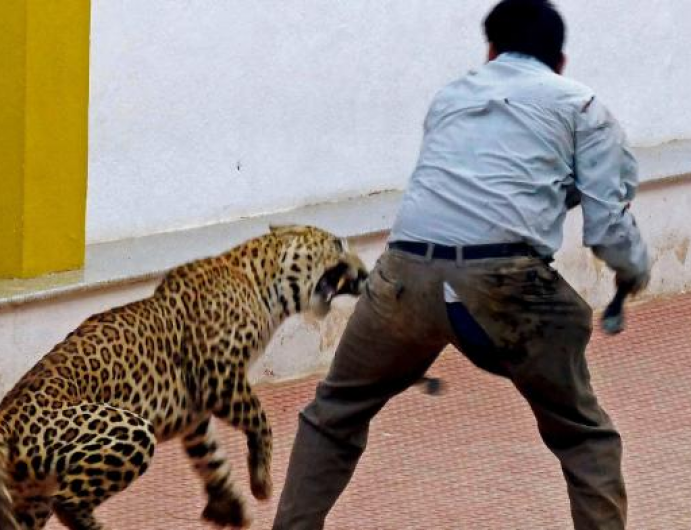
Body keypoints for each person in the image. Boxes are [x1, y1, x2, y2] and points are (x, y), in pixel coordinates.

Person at [272, 0, 651, 528]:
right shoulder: (582, 107)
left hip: (402, 276)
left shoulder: (450, 98)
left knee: (332, 416)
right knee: (585, 437)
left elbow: (472, 187)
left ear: (490, 50)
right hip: (506, 287)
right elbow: (609, 226)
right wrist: (633, 272)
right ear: (560, 61)